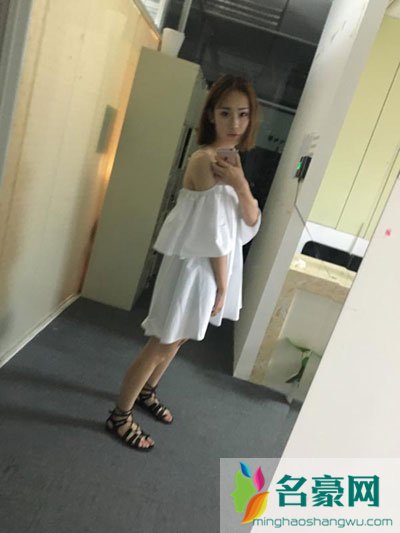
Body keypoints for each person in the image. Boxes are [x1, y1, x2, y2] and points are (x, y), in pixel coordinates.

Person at [105, 74, 262, 451]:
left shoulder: (232, 162)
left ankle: (147, 391)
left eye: (242, 114)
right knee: (163, 341)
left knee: (181, 337)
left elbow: (251, 220)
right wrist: (222, 285)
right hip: (196, 267)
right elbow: (214, 235)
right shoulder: (205, 160)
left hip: (213, 266)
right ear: (211, 115)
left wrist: (241, 185)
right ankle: (120, 415)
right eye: (225, 113)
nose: (235, 123)